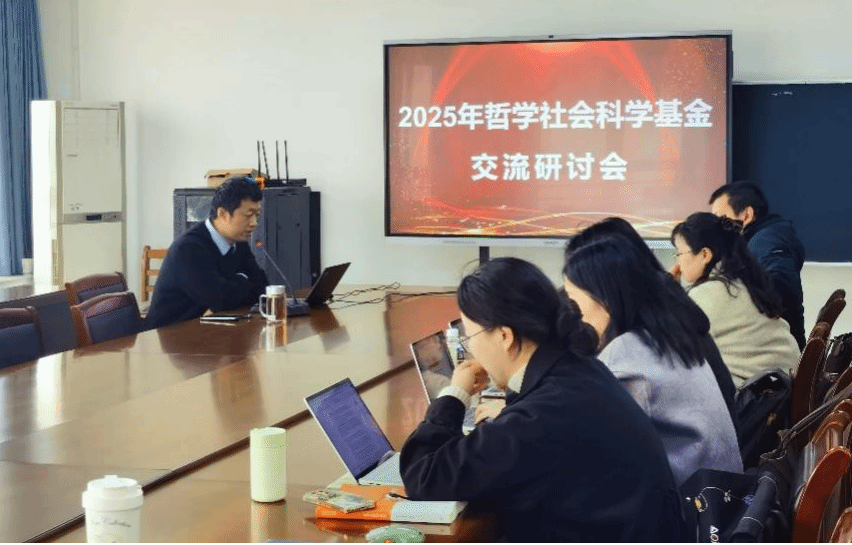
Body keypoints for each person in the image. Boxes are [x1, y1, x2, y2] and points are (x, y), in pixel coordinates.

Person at [400, 257, 685, 543]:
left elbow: (423, 476)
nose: (471, 348)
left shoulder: (539, 417)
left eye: (469, 336)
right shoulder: (578, 367)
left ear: (504, 336)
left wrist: (455, 394)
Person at [563, 233, 742, 487]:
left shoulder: (625, 354)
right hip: (721, 492)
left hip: (691, 502)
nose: (572, 312)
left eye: (573, 299)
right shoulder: (668, 333)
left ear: (604, 298)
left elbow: (589, 447)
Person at [671, 212, 800, 387]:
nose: (678, 262)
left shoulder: (709, 293)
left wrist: (667, 291)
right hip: (782, 386)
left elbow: (670, 349)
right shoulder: (745, 280)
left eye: (679, 253)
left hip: (755, 396)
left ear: (705, 254)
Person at [145, 176, 269, 329]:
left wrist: (232, 286)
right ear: (222, 214)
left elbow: (262, 287)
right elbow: (220, 299)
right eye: (248, 215)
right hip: (170, 335)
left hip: (207, 330)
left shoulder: (239, 243)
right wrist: (243, 279)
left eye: (257, 215)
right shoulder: (189, 248)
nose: (254, 223)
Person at [708, 181, 806, 349]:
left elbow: (780, 288)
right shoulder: (765, 236)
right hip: (776, 342)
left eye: (721, 218)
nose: (717, 227)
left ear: (746, 214)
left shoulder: (766, 240)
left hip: (775, 349)